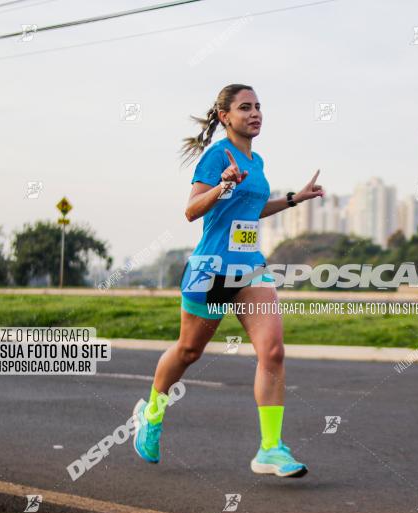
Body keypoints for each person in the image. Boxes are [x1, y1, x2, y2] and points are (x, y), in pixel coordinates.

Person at [132, 83, 324, 478]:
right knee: (188, 351)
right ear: (225, 117)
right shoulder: (216, 156)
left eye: (258, 107)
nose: (255, 113)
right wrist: (223, 186)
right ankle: (152, 413)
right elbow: (191, 211)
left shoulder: (258, 161)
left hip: (250, 268)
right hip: (211, 270)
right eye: (245, 107)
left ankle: (270, 448)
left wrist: (293, 199)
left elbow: (251, 212)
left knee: (272, 352)